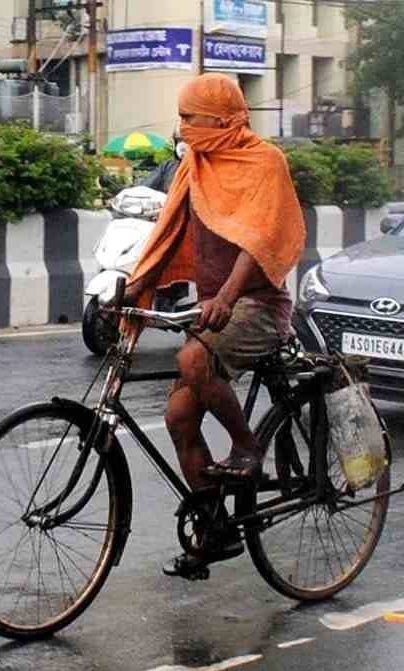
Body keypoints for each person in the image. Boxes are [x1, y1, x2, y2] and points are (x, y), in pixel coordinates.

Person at [121, 74, 306, 574]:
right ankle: (215, 529)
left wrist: (226, 295)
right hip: (212, 308)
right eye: (179, 118)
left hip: (258, 305)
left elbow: (260, 238)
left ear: (223, 119)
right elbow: (169, 230)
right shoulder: (194, 166)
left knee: (193, 356)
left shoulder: (265, 162)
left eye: (190, 118)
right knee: (179, 418)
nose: (183, 129)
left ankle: (247, 447)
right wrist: (136, 286)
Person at [139, 128, 189, 193]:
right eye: (179, 140)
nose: (182, 146)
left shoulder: (204, 167)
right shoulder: (167, 166)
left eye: (186, 140)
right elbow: (144, 187)